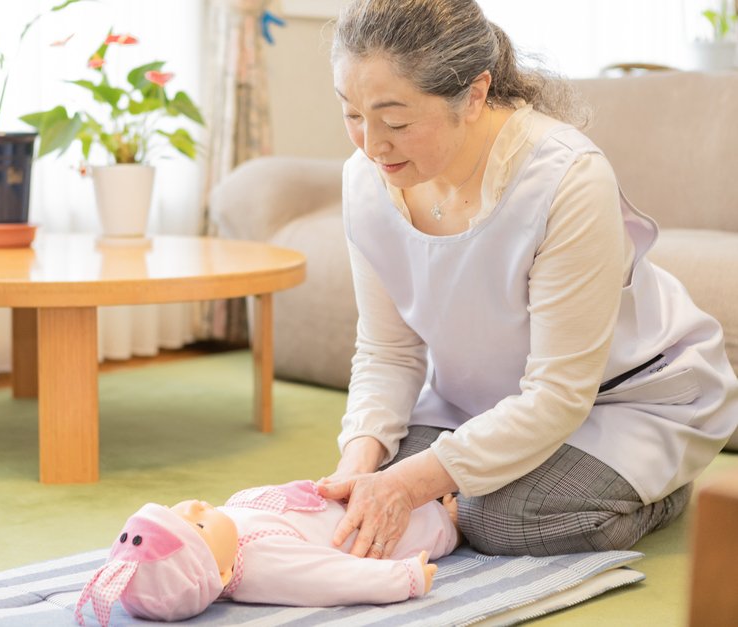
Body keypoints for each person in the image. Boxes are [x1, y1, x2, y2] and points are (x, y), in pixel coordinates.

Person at [315, 0, 738, 560]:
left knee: (498, 521)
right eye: (351, 114)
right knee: (384, 477)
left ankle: (655, 493)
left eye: (395, 121)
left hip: (621, 400)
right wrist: (357, 462)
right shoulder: (366, 181)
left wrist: (414, 485)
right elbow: (388, 350)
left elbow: (560, 393)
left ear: (473, 94)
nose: (371, 145)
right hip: (486, 402)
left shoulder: (565, 177)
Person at [74, 479, 460, 624]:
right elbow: (333, 579)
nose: (191, 505)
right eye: (197, 525)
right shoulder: (263, 565)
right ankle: (454, 521)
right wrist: (404, 577)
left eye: (175, 509)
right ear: (222, 575)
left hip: (357, 492)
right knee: (442, 518)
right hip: (398, 526)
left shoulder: (227, 526)